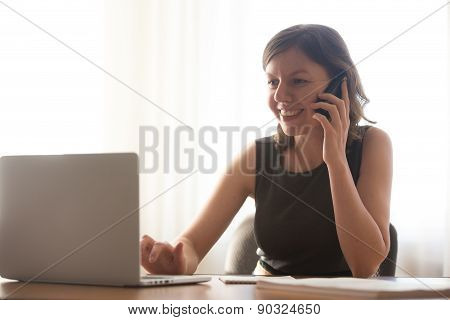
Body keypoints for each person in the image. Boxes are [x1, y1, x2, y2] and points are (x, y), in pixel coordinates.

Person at [140, 24, 393, 278]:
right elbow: (193, 244)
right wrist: (176, 261)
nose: (281, 95)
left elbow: (365, 265)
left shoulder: (372, 145)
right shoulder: (257, 156)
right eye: (273, 82)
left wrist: (336, 162)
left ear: (340, 85)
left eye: (298, 81)